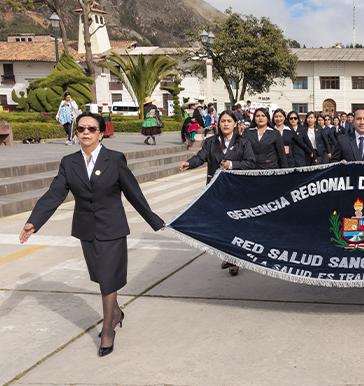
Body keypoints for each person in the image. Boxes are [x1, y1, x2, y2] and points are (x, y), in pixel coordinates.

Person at [19, 112, 164, 357]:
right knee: (100, 277)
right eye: (81, 129)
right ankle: (115, 312)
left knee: (108, 278)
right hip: (86, 229)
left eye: (91, 129)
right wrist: (34, 222)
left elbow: (133, 193)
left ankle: (108, 328)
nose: (85, 133)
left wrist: (154, 220)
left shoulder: (115, 159)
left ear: (101, 132)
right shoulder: (69, 162)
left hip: (112, 228)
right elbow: (55, 194)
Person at [179, 110, 255, 276]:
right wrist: (189, 163)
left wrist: (232, 165)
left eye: (229, 121)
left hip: (236, 190)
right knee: (221, 225)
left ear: (235, 124)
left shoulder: (243, 143)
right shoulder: (211, 142)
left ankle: (234, 260)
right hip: (216, 190)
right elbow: (200, 157)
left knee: (234, 224)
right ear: (218, 124)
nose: (226, 124)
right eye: (223, 121)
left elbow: (250, 162)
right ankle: (226, 255)